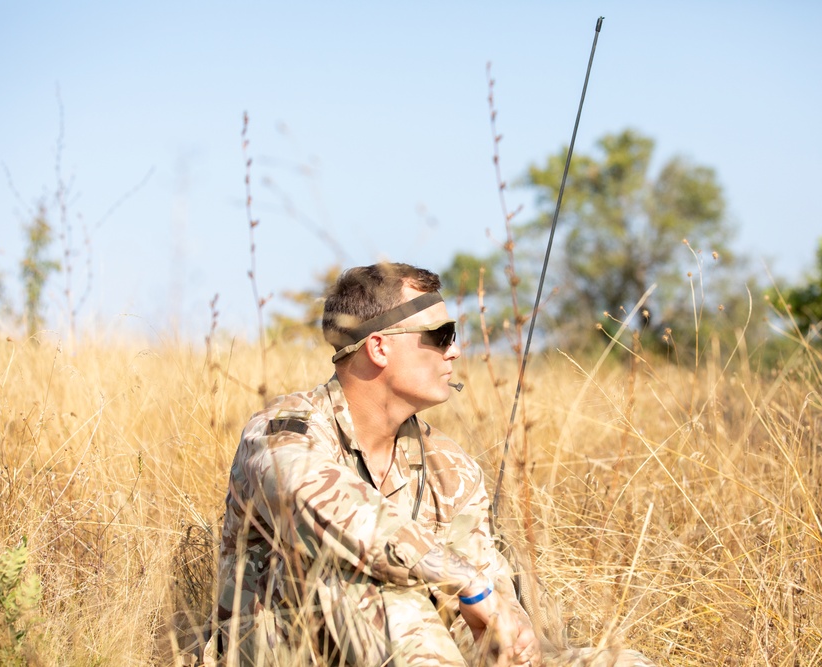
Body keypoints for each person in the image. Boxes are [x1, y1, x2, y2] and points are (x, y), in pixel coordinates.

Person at [208, 262, 652, 667]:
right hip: (296, 651)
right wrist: (467, 584)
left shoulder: (449, 464)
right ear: (379, 348)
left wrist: (509, 631)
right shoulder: (281, 432)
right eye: (441, 335)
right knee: (382, 593)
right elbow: (336, 509)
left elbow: (489, 577)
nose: (455, 351)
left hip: (430, 651)